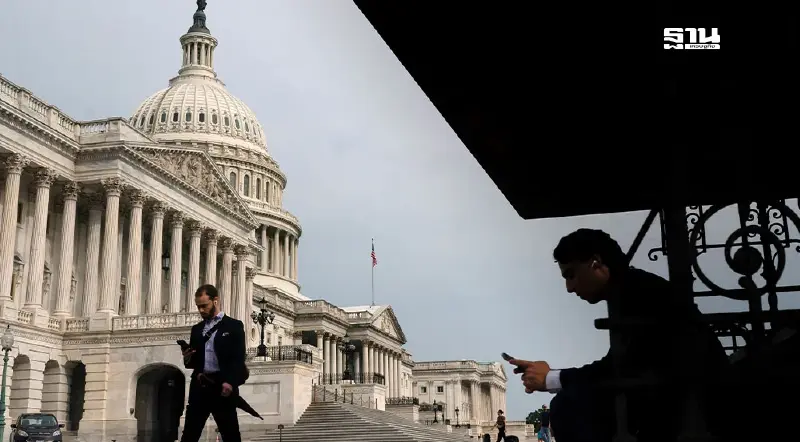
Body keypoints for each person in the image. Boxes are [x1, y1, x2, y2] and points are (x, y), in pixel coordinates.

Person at [507, 229, 730, 442]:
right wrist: (553, 377)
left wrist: (552, 378)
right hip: (690, 400)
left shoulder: (638, 294)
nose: (569, 287)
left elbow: (619, 369)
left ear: (596, 263)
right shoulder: (635, 288)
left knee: (567, 406)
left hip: (695, 410)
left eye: (571, 275)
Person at [180, 284, 247, 442]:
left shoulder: (234, 326)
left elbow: (238, 358)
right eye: (198, 307)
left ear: (215, 301)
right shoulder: (197, 329)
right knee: (189, 435)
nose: (201, 310)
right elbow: (193, 363)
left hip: (222, 386)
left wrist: (230, 382)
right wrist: (187, 358)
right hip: (200, 385)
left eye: (204, 305)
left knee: (230, 435)